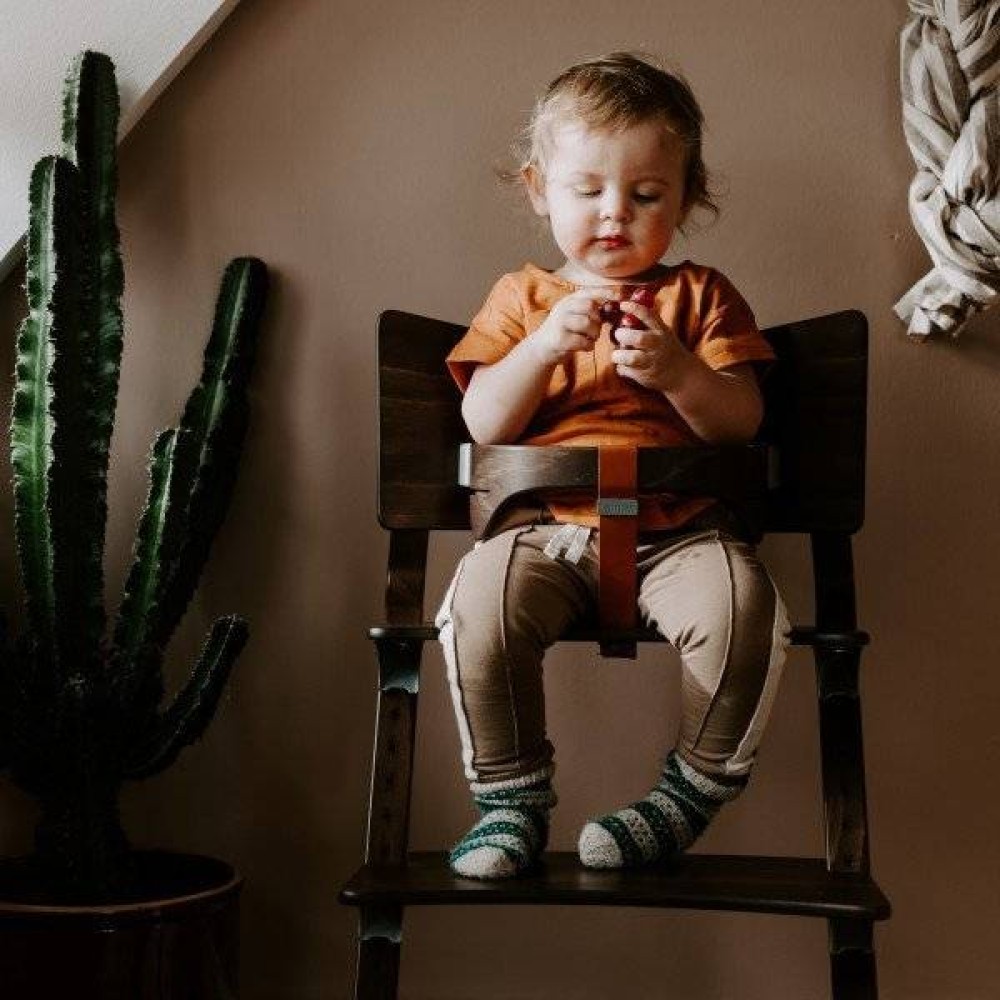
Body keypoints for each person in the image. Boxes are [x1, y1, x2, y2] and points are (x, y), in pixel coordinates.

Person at [435, 51, 791, 880]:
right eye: (587, 189)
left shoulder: (701, 297)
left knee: (745, 611)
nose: (613, 214)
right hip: (545, 532)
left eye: (646, 195)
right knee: (479, 606)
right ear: (539, 190)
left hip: (683, 533)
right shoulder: (521, 298)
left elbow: (741, 420)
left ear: (687, 198)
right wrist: (538, 351)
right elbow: (482, 421)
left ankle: (690, 791)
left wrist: (680, 372)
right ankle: (511, 800)